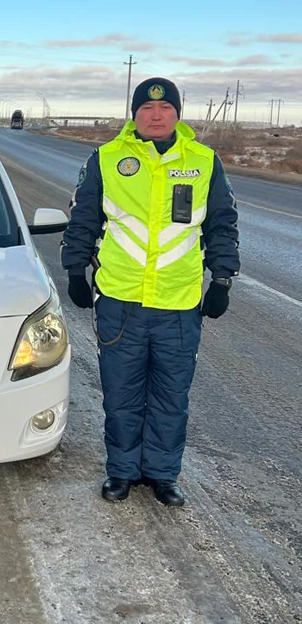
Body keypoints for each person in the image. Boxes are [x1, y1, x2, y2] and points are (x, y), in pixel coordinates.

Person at [61, 77, 240, 507]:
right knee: (121, 394)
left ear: (177, 114)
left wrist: (222, 279)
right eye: (146, 109)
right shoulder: (107, 158)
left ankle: (162, 475)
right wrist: (73, 270)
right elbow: (83, 218)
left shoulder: (203, 161)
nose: (155, 115)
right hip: (120, 301)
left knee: (171, 396)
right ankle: (121, 472)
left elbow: (221, 224)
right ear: (135, 114)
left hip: (178, 304)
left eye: (164, 109)